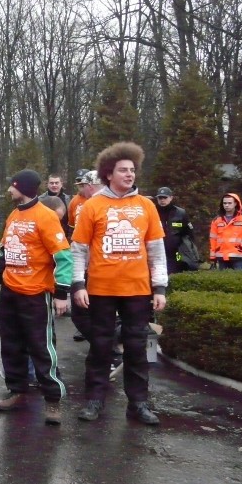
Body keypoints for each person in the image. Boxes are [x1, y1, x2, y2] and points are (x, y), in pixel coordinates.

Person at [70, 142, 167, 425]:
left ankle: (138, 404)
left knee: (137, 348)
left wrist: (159, 287)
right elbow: (79, 249)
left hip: (137, 291)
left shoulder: (146, 205)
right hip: (101, 290)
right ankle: (94, 400)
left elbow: (157, 250)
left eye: (132, 170)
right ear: (108, 174)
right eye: (122, 170)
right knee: (100, 346)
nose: (129, 174)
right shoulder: (93, 206)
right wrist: (78, 284)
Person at [0, 170, 73, 425]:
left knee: (41, 347)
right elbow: (5, 250)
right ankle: (17, 391)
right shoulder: (14, 215)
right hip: (11, 292)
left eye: (12, 186)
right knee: (11, 344)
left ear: (22, 187)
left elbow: (63, 257)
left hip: (36, 294)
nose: (9, 191)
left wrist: (61, 293)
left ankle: (53, 400)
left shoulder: (46, 216)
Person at [69, 170, 104, 342]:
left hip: (98, 267)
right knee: (85, 312)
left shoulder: (100, 206)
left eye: (83, 185)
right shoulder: (76, 202)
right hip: (84, 262)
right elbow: (71, 230)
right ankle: (103, 347)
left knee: (87, 312)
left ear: (90, 186)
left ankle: (108, 347)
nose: (82, 189)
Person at [209, 193, 242, 270]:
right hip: (221, 257)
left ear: (236, 203)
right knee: (223, 280)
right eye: (224, 203)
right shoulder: (216, 220)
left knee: (239, 280)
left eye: (229, 203)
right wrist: (212, 256)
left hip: (239, 257)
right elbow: (213, 239)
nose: (226, 205)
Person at [154, 187, 196, 275]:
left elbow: (189, 233)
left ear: (171, 198)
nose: (162, 200)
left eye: (165, 197)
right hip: (157, 251)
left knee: (177, 271)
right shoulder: (152, 211)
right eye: (160, 198)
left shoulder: (180, 213)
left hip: (176, 252)